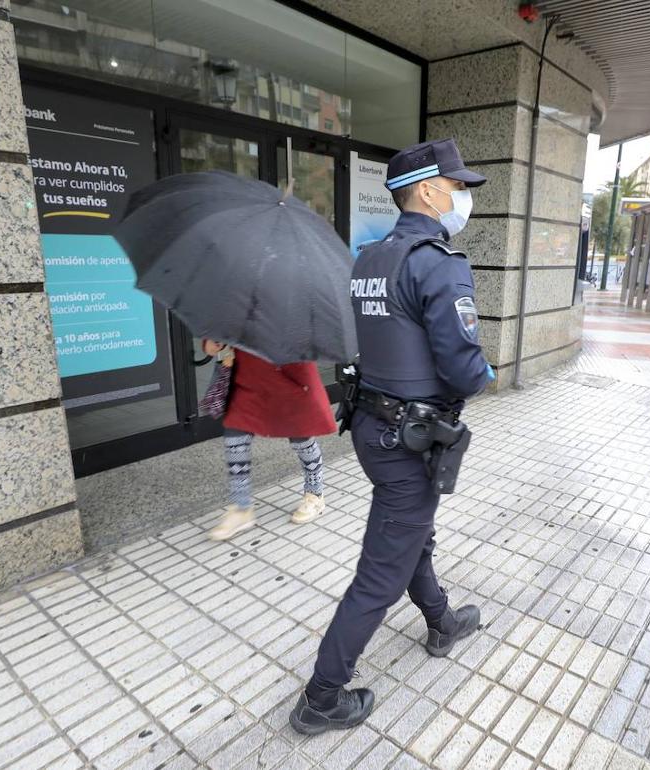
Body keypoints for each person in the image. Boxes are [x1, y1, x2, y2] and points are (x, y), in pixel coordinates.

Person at [290, 139, 494, 735]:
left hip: (374, 428)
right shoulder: (437, 262)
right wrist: (484, 374)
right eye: (457, 187)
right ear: (429, 190)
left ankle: (440, 620)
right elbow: (463, 368)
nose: (462, 198)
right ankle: (321, 697)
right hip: (411, 437)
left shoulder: (370, 258)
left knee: (407, 535)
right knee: (382, 568)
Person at [203, 340, 337, 541]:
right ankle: (241, 508)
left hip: (290, 374)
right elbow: (216, 340)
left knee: (301, 436)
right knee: (235, 436)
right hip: (248, 377)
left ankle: (315, 494)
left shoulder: (294, 309)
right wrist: (214, 343)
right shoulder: (238, 308)